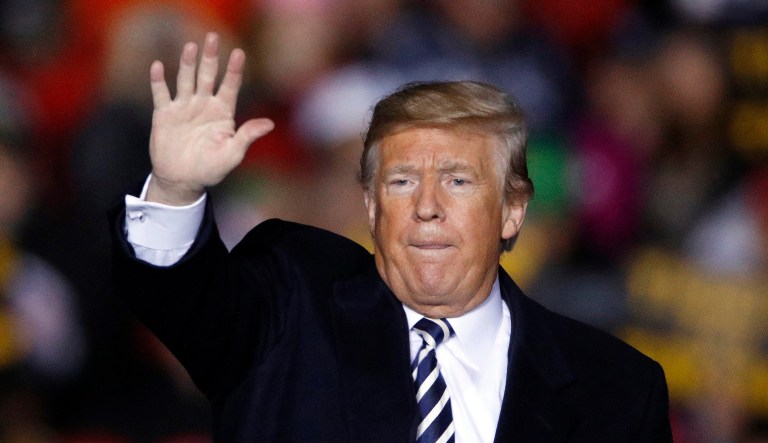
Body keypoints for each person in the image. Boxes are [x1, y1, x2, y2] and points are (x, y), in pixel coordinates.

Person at [109, 32, 672, 442]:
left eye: (457, 181)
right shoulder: (288, 302)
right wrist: (176, 190)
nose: (427, 207)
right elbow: (181, 298)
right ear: (371, 206)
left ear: (511, 211)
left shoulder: (617, 390)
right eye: (402, 182)